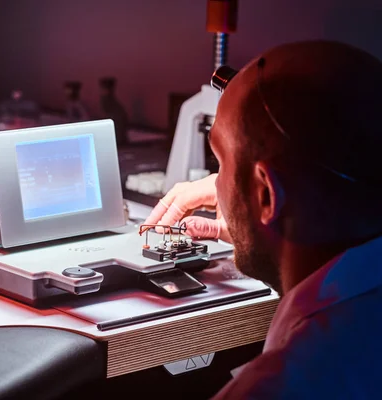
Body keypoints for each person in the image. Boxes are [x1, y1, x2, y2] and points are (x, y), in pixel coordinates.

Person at [145, 40, 382, 398]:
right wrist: (259, 228)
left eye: (220, 164)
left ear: (268, 195)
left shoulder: (283, 385)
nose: (214, 185)